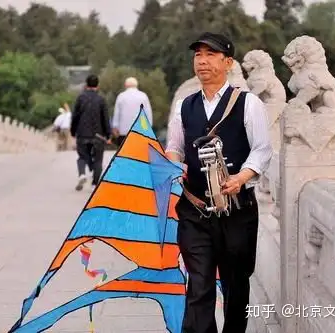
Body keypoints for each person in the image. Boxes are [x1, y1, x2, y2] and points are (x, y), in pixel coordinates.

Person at [165, 32, 273, 333]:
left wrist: (242, 177)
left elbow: (263, 148)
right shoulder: (184, 106)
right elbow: (174, 144)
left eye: (210, 55)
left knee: (236, 288)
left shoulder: (248, 103)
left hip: (237, 212)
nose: (202, 61)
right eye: (198, 55)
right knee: (198, 287)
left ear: (227, 62)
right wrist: (174, 161)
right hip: (195, 210)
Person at [70, 74, 112, 191]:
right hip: (98, 135)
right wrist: (108, 135)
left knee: (82, 157)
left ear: (86, 85)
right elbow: (105, 119)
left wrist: (73, 131)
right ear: (97, 85)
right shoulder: (101, 100)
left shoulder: (80, 98)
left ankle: (82, 174)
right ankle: (94, 184)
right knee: (98, 160)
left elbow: (75, 117)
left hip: (82, 134)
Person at [112, 77, 153, 146]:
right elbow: (148, 114)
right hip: (140, 131)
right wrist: (148, 128)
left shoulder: (121, 96)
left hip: (124, 132)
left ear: (125, 85)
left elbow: (117, 114)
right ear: (136, 85)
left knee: (124, 155)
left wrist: (115, 127)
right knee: (139, 154)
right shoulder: (143, 96)